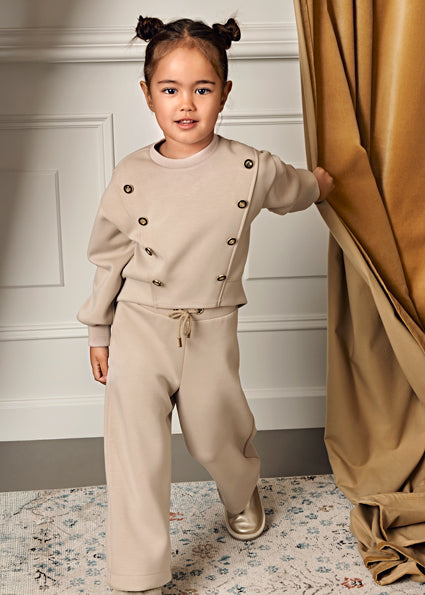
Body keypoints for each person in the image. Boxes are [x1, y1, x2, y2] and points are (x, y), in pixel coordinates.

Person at [77, 15, 334, 595]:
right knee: (134, 450)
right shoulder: (130, 173)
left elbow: (295, 188)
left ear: (225, 92)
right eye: (170, 89)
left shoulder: (251, 167)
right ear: (147, 94)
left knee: (216, 438)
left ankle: (241, 491)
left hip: (210, 329)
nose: (186, 103)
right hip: (138, 324)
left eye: (202, 88)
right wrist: (98, 330)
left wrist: (322, 183)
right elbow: (109, 256)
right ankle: (139, 576)